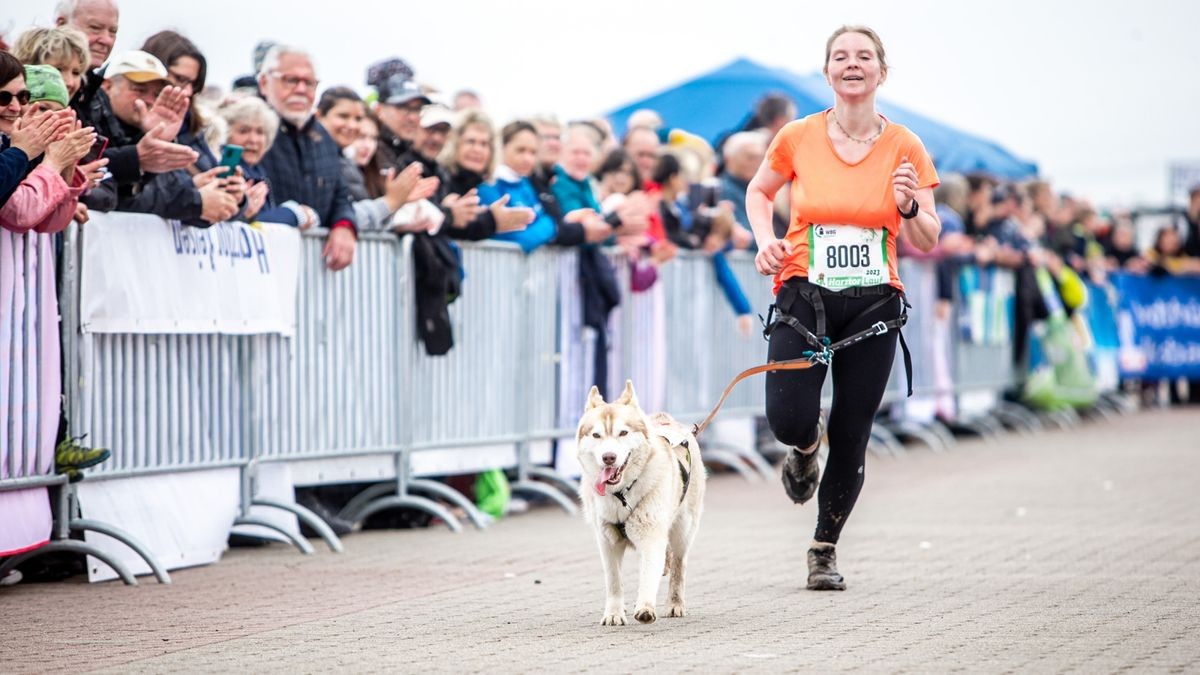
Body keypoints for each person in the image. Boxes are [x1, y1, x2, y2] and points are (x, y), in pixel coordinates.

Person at [745, 26, 941, 592]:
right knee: (787, 417)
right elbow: (759, 192)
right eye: (840, 57)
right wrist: (764, 238)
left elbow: (928, 235)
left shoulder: (905, 145)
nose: (852, 65)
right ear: (826, 71)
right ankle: (805, 447)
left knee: (854, 429)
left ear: (882, 71)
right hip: (804, 289)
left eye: (864, 57)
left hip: (874, 302)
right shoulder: (798, 135)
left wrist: (907, 206)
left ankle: (823, 548)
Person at [256, 45, 357, 270]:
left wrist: (345, 225)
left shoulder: (322, 136)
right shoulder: (250, 130)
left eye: (309, 83)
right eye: (290, 80)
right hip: (262, 264)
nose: (301, 89)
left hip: (313, 269)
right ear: (264, 83)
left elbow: (340, 194)